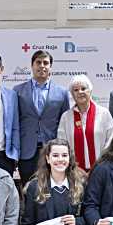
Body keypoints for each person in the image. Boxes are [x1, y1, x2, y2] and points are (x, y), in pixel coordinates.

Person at [14, 50, 70, 183]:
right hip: (26, 151)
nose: (42, 66)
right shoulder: (18, 91)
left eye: (46, 63)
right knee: (28, 189)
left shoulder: (62, 93)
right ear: (32, 66)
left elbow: (64, 122)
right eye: (38, 62)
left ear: (50, 67)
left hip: (52, 150)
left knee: (51, 189)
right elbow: (14, 122)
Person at [57, 75, 113, 171]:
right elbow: (62, 144)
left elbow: (111, 140)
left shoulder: (104, 113)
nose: (80, 92)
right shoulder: (66, 117)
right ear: (72, 94)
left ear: (90, 91)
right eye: (76, 90)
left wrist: (102, 163)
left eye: (83, 88)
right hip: (75, 171)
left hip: (102, 169)